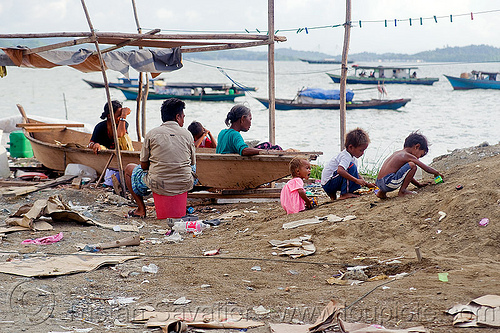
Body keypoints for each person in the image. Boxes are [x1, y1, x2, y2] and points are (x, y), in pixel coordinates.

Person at [124, 98, 195, 218]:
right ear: (177, 117)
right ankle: (180, 207)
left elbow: (143, 166)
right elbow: (192, 162)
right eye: (183, 116)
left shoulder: (152, 134)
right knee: (192, 166)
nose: (183, 119)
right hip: (184, 183)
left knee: (129, 168)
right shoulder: (187, 134)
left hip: (158, 184)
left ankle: (141, 209)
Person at [375, 132, 443, 199]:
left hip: (379, 183)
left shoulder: (397, 153)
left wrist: (418, 185)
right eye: (420, 155)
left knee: (406, 167)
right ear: (417, 147)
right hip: (389, 183)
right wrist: (436, 173)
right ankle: (403, 191)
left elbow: (405, 174)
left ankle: (381, 193)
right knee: (412, 165)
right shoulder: (408, 156)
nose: (418, 158)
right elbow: (427, 169)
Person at [321, 128, 375, 200]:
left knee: (353, 171)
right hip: (329, 183)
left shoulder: (353, 158)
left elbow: (356, 174)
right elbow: (340, 171)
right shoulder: (346, 156)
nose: (362, 153)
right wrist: (356, 180)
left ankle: (337, 195)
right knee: (351, 168)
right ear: (351, 147)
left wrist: (366, 184)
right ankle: (344, 193)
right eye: (361, 150)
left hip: (330, 182)